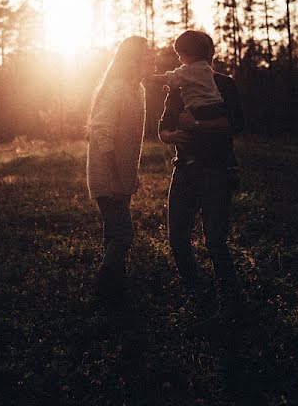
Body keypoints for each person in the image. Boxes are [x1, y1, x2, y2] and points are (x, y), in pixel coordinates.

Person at [158, 31, 245, 312]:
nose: (183, 60)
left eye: (186, 53)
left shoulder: (224, 84)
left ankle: (232, 298)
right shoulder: (179, 86)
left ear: (207, 54)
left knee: (216, 241)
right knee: (177, 240)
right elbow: (163, 127)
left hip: (216, 171)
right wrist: (171, 136)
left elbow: (234, 124)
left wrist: (195, 126)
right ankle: (197, 292)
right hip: (183, 169)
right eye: (180, 55)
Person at [86, 35, 154, 306]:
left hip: (121, 177)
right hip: (107, 176)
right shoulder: (116, 89)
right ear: (133, 58)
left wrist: (131, 176)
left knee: (113, 232)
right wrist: (115, 178)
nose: (151, 56)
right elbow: (102, 133)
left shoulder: (138, 89)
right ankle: (102, 287)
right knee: (124, 234)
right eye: (146, 52)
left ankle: (114, 287)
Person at [148, 30, 226, 123]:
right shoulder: (205, 68)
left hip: (200, 109)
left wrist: (150, 77)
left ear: (190, 53)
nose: (179, 58)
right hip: (217, 106)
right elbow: (190, 83)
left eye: (180, 55)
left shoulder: (188, 70)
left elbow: (168, 78)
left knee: (186, 125)